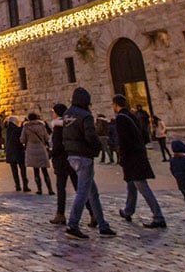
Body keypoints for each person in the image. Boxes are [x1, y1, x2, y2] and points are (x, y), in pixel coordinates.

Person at [63, 87, 115, 239]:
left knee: (92, 192)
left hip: (72, 155)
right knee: (83, 192)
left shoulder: (67, 114)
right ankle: (72, 225)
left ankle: (103, 225)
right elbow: (91, 136)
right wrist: (97, 148)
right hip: (84, 156)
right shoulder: (86, 116)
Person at [113, 94, 167, 228]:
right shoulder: (133, 115)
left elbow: (123, 140)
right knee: (131, 184)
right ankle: (128, 211)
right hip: (138, 153)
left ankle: (158, 216)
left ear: (115, 104)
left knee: (141, 186)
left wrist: (121, 157)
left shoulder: (120, 118)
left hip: (132, 157)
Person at [20, 112, 54, 195]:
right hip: (41, 149)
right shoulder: (41, 126)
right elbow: (47, 137)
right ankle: (50, 189)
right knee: (44, 170)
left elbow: (22, 139)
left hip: (31, 150)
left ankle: (39, 189)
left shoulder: (26, 127)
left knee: (36, 170)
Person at [4, 115, 30, 192]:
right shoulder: (15, 129)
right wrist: (23, 125)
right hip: (18, 151)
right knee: (23, 169)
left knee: (14, 170)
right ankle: (25, 185)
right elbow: (20, 135)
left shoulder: (8, 128)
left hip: (10, 152)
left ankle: (18, 185)